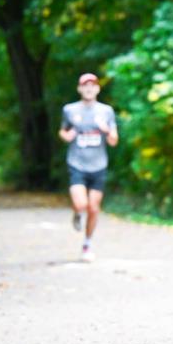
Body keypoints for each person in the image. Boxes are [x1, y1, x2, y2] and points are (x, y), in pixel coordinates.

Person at [59, 73, 118, 262]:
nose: (89, 88)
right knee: (81, 204)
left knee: (93, 207)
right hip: (77, 163)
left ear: (98, 89)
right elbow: (63, 131)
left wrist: (106, 129)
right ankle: (77, 214)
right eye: (85, 85)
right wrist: (66, 136)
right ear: (79, 89)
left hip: (98, 164)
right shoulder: (70, 110)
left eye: (93, 85)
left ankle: (87, 243)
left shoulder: (106, 111)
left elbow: (114, 141)